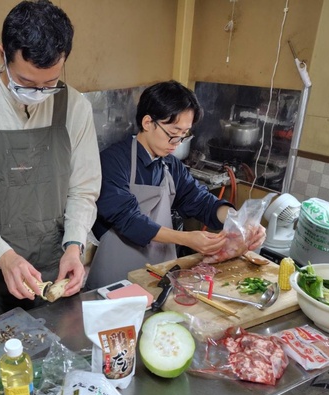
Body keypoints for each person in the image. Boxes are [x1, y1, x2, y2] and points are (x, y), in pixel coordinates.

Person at [0, 0, 101, 315]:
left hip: (55, 270)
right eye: (27, 83)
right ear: (3, 54)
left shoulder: (76, 107)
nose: (39, 93)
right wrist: (5, 257)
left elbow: (83, 189)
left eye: (50, 84)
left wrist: (74, 246)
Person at [87, 80, 265, 289]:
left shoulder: (171, 165)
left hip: (159, 275)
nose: (177, 143)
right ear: (147, 122)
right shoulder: (113, 161)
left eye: (184, 135)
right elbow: (129, 220)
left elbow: (200, 201)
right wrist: (186, 239)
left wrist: (240, 222)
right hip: (115, 279)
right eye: (173, 133)